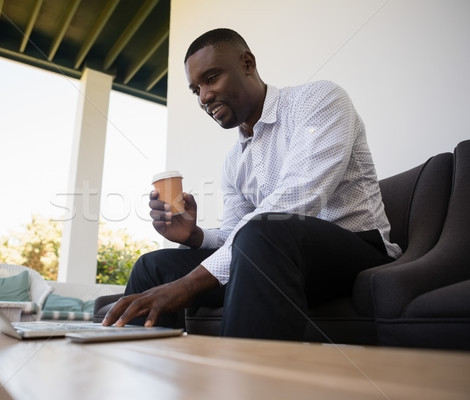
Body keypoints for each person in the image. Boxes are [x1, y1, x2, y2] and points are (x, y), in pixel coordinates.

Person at [102, 28, 402, 340]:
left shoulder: (318, 100)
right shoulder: (234, 161)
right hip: (271, 258)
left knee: (264, 230)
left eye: (212, 78)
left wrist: (189, 284)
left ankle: (245, 385)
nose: (204, 97)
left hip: (358, 253)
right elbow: (237, 236)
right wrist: (195, 236)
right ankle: (146, 379)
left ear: (247, 63)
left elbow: (295, 201)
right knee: (153, 267)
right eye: (196, 90)